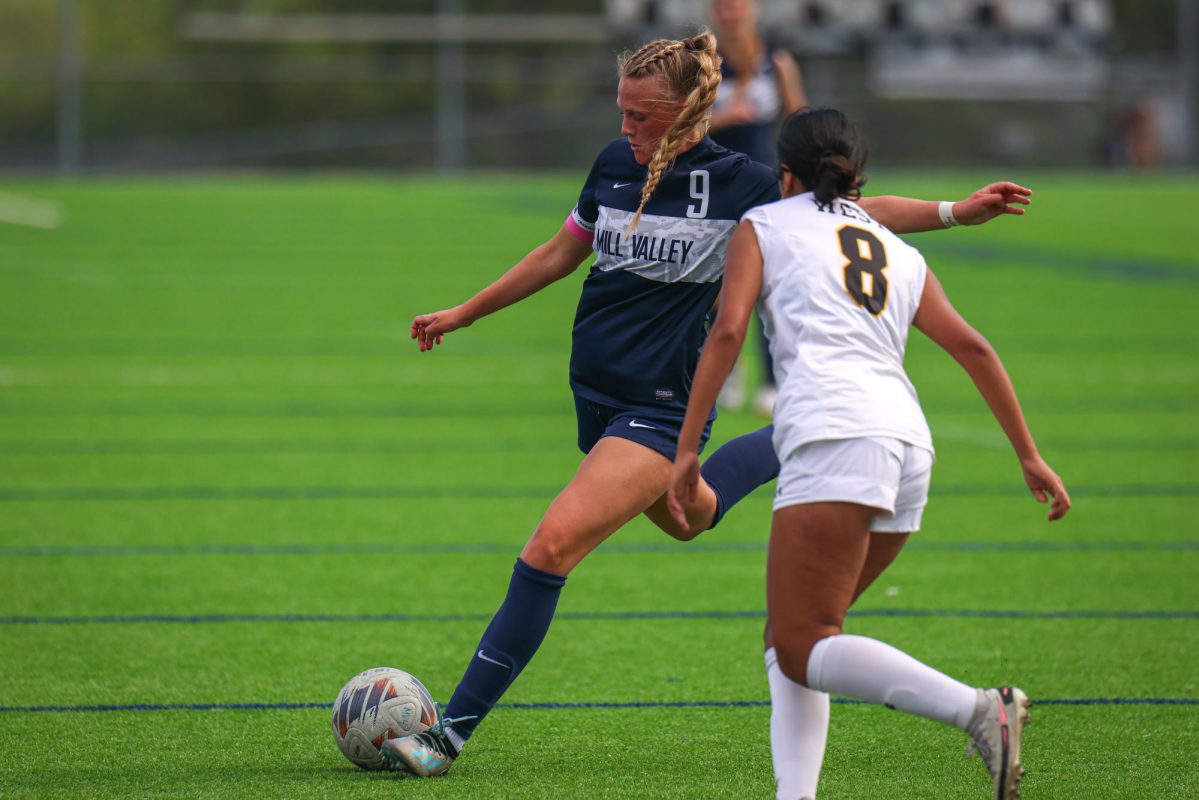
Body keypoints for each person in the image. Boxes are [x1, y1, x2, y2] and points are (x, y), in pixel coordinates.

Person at [384, 33, 1034, 779]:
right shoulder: (612, 165)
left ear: (689, 116)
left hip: (658, 408)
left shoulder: (740, 185)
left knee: (550, 547)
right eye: (622, 112)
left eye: (643, 117)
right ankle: (784, 441)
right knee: (689, 517)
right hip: (595, 395)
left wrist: (955, 210)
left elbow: (854, 211)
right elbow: (561, 251)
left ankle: (449, 734)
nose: (627, 129)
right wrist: (465, 312)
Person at [667, 108, 1070, 800]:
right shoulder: (895, 249)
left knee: (801, 644)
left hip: (835, 436)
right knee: (798, 639)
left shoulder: (761, 226)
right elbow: (973, 346)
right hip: (908, 448)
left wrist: (684, 449)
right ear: (856, 176)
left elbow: (730, 331)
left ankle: (979, 709)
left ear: (784, 173)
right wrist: (1028, 455)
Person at [707, 0, 807, 416]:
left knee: (769, 285)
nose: (731, 12)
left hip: (763, 188)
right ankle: (724, 373)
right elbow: (678, 124)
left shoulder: (776, 59)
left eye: (738, 4)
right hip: (712, 186)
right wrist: (723, 118)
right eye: (722, 5)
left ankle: (771, 380)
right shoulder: (701, 61)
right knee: (713, 284)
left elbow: (799, 118)